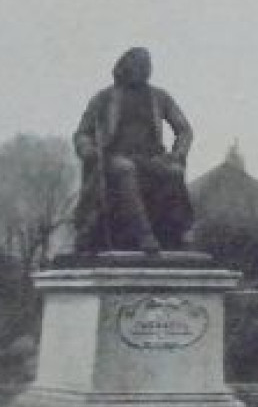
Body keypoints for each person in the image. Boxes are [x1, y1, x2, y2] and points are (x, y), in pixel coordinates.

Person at [71, 47, 195, 255]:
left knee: (174, 172)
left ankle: (179, 231)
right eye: (139, 64)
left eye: (147, 65)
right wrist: (88, 150)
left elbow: (184, 129)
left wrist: (178, 153)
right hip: (115, 157)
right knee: (125, 169)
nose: (144, 69)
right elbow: (82, 133)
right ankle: (144, 236)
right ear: (125, 67)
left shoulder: (160, 97)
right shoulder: (104, 98)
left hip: (152, 157)